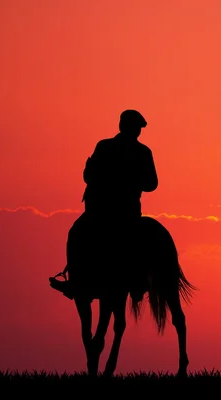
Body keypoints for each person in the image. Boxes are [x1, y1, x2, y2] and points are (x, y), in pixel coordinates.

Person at [50, 109, 158, 299]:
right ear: (124, 126)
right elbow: (89, 176)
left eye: (138, 129)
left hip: (121, 211)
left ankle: (137, 280)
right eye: (135, 128)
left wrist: (126, 181)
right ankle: (75, 280)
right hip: (105, 210)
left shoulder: (137, 151)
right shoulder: (108, 147)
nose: (137, 132)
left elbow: (152, 183)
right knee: (77, 233)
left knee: (80, 234)